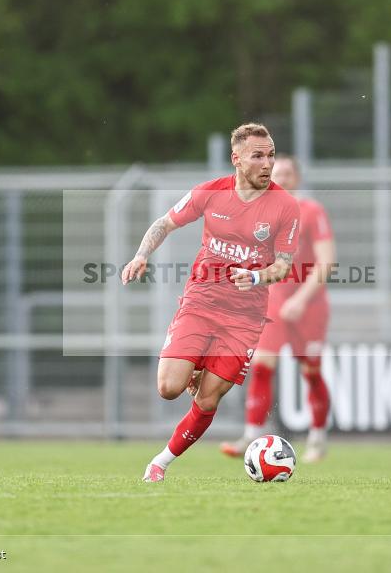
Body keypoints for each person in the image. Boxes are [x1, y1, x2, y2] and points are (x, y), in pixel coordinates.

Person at [121, 123, 300, 482]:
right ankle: (196, 364)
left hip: (244, 319)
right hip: (200, 304)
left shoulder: (284, 206)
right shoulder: (210, 193)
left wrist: (255, 277)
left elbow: (283, 266)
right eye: (258, 156)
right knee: (169, 388)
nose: (267, 164)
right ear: (236, 159)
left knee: (207, 401)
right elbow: (164, 223)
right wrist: (141, 255)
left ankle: (160, 463)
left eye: (271, 155)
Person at [219, 156, 336, 463]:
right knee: (260, 366)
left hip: (309, 305)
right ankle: (251, 434)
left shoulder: (311, 211)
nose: (280, 177)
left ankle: (318, 439)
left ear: (295, 178)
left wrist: (301, 299)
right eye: (275, 173)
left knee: (310, 371)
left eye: (286, 172)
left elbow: (326, 262)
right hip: (273, 302)